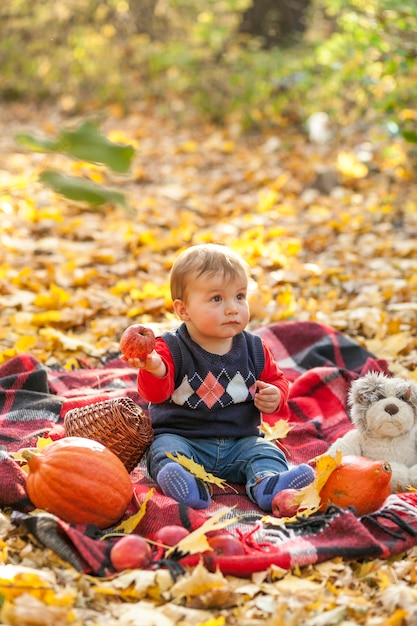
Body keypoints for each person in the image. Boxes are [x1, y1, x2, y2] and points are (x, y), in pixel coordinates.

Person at [125, 243, 314, 511]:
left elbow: (278, 380)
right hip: (185, 439)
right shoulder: (170, 348)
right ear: (183, 310)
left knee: (266, 452)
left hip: (240, 442)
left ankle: (267, 484)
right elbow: (154, 394)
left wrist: (276, 395)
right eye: (217, 299)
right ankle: (189, 486)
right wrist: (155, 369)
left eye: (239, 296)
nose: (232, 308)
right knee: (162, 450)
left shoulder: (254, 348)